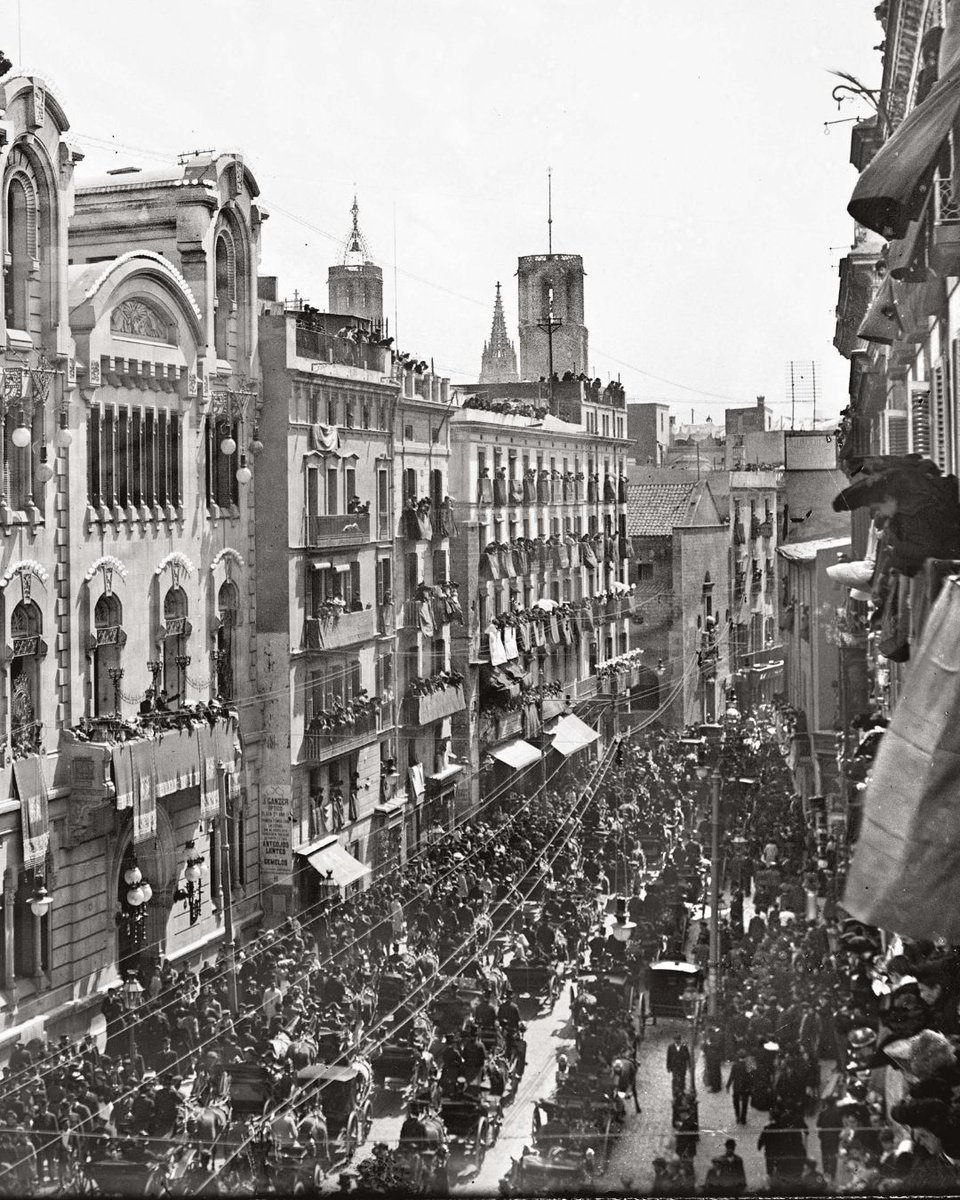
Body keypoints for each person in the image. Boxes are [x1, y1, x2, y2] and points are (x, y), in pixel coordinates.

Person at [726, 1050, 753, 1125]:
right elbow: (751, 1078)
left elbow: (731, 1076)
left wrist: (728, 1086)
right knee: (745, 1104)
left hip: (737, 1087)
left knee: (736, 1102)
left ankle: (737, 1117)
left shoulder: (735, 1065)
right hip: (745, 1087)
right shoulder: (748, 1065)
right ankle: (743, 1118)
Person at [666, 1032, 691, 1099]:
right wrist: (668, 1067)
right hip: (674, 1066)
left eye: (678, 1040)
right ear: (674, 1040)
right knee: (675, 1079)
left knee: (682, 1079)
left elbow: (688, 1056)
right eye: (676, 1040)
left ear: (680, 1040)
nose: (677, 1041)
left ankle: (682, 1091)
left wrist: (689, 1065)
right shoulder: (670, 1047)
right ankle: (674, 1093)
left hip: (682, 1066)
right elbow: (668, 1057)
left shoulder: (684, 1046)